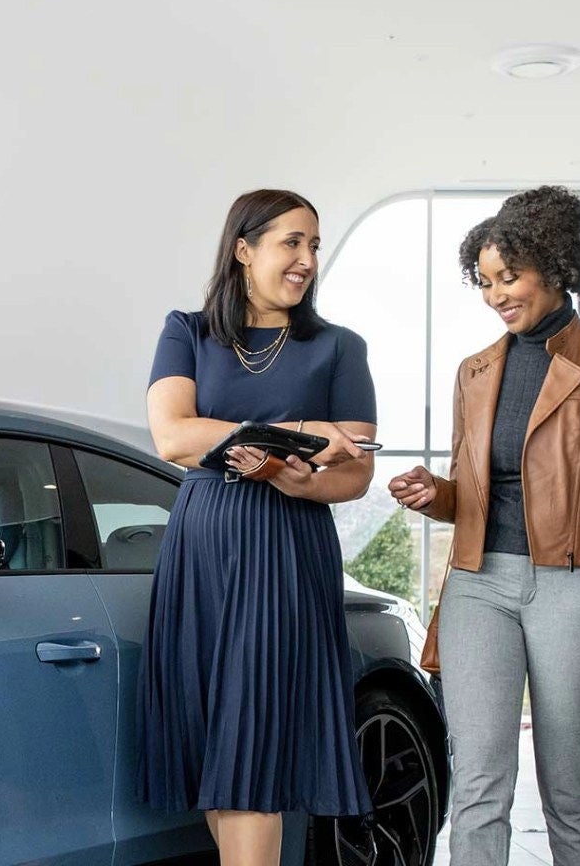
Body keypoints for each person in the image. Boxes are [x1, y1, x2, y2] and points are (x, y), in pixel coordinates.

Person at [389, 186, 580, 866]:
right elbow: (474, 492)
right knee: (477, 781)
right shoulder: (474, 371)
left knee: (569, 783)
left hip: (576, 585)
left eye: (510, 276)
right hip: (478, 586)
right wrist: (433, 492)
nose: (497, 294)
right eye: (487, 281)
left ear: (557, 267)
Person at [137, 189, 377, 866]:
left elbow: (353, 470)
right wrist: (299, 432)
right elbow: (171, 436)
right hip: (203, 548)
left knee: (251, 751)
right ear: (244, 250)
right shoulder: (186, 330)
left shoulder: (338, 349)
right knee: (217, 748)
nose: (306, 260)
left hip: (284, 546)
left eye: (314, 245)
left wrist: (302, 477)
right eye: (291, 243)